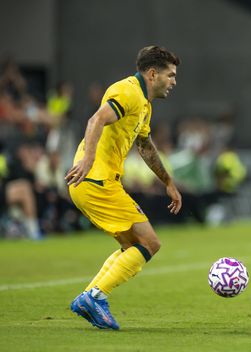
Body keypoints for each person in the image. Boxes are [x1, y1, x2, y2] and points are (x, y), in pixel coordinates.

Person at [65, 46, 183, 330]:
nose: (174, 81)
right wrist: (89, 158)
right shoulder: (127, 91)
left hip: (98, 182)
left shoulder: (143, 103)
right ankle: (94, 296)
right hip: (95, 181)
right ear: (153, 73)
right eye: (171, 75)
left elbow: (144, 146)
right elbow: (96, 120)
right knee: (150, 243)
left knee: (132, 246)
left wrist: (167, 181)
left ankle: (89, 296)